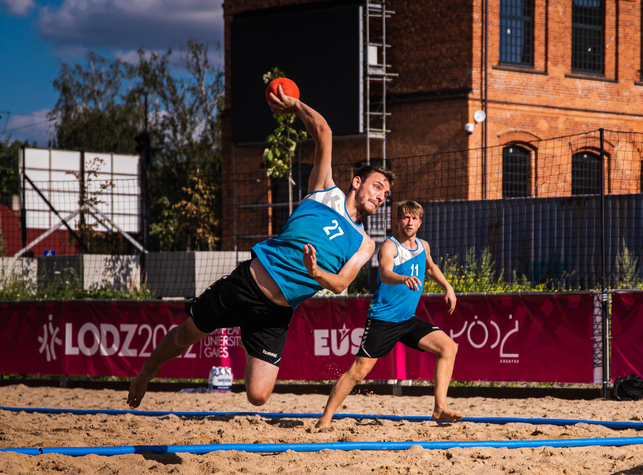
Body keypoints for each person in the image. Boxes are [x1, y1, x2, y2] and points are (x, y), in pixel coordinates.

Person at [127, 87, 391, 408]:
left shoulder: (364, 242)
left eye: (385, 194)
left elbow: (341, 284)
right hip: (247, 285)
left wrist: (316, 272)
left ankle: (247, 336)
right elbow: (323, 131)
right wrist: (293, 106)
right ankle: (148, 369)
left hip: (275, 312)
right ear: (357, 182)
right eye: (377, 186)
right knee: (186, 335)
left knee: (258, 396)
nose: (380, 195)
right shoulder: (324, 191)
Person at [315, 200, 462, 427]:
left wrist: (448, 287)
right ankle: (324, 420)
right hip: (383, 320)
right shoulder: (390, 246)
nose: (409, 221)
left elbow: (430, 267)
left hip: (407, 320)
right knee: (358, 371)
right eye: (405, 217)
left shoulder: (423, 246)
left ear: (420, 222)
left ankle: (440, 407)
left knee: (448, 347)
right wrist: (403, 278)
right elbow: (385, 273)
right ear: (398, 221)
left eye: (414, 218)